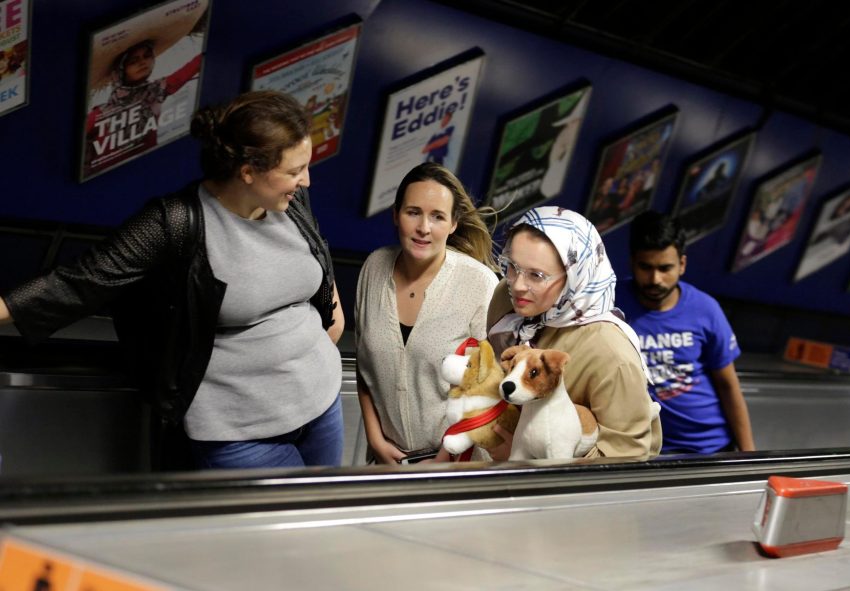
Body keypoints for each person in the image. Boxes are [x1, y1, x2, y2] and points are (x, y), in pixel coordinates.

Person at [1, 90, 346, 470]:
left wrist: (332, 305)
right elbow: (78, 281)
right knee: (279, 528)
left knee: (320, 522)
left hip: (322, 401)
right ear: (248, 172)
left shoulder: (290, 201)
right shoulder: (175, 223)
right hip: (240, 428)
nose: (307, 181)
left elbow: (314, 250)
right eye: (295, 171)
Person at [486, 206, 662, 460]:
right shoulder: (507, 299)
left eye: (537, 275)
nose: (518, 285)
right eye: (512, 266)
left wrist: (526, 459)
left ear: (575, 277)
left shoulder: (610, 353)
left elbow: (626, 460)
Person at [355, 162, 499, 464]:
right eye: (413, 212)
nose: (424, 227)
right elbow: (365, 365)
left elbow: (488, 388)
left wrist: (443, 460)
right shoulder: (374, 267)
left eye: (437, 217)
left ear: (453, 224)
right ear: (396, 215)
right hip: (387, 462)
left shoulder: (478, 282)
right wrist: (375, 439)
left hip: (457, 466)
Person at [619, 211, 755, 455]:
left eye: (665, 268)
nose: (655, 279)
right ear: (632, 262)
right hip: (643, 451)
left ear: (682, 264)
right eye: (645, 267)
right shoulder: (610, 304)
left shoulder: (705, 309)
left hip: (710, 447)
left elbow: (728, 385)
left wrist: (749, 455)